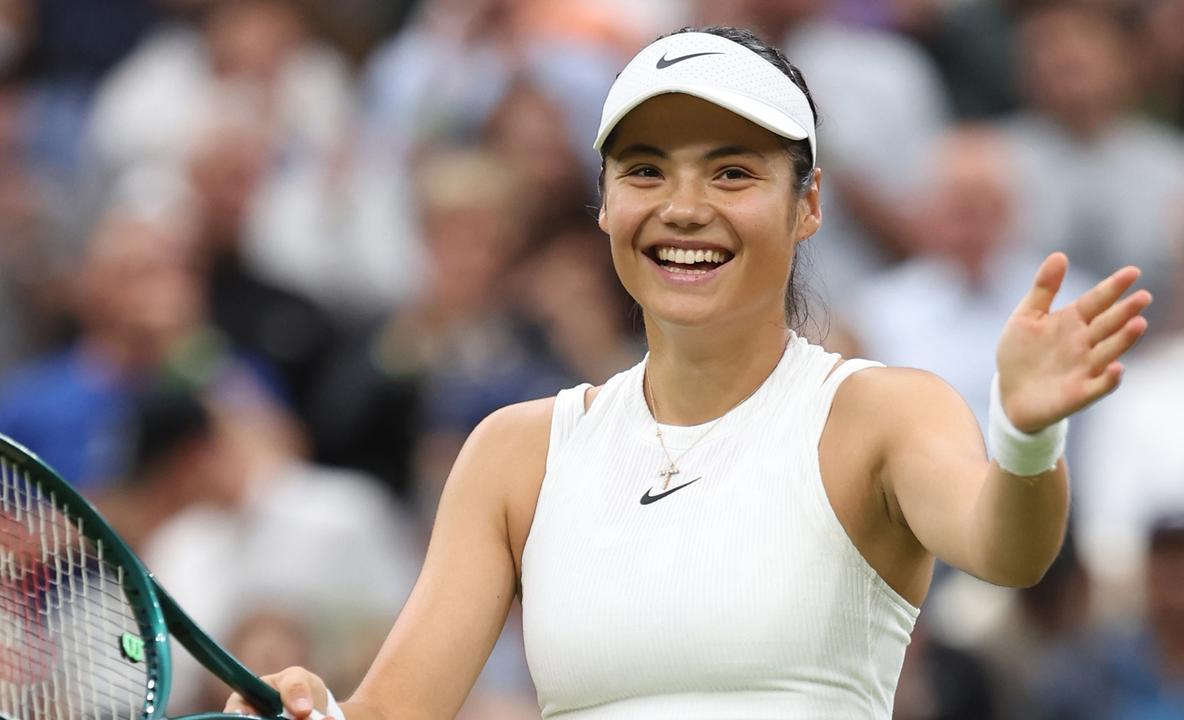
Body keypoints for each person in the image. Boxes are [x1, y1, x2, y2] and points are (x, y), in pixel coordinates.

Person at [226, 26, 1152, 719]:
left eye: (733, 173)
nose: (683, 209)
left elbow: (1009, 548)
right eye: (644, 170)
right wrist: (310, 712)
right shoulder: (513, 453)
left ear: (809, 205)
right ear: (603, 205)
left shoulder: (881, 413)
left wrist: (1028, 434)